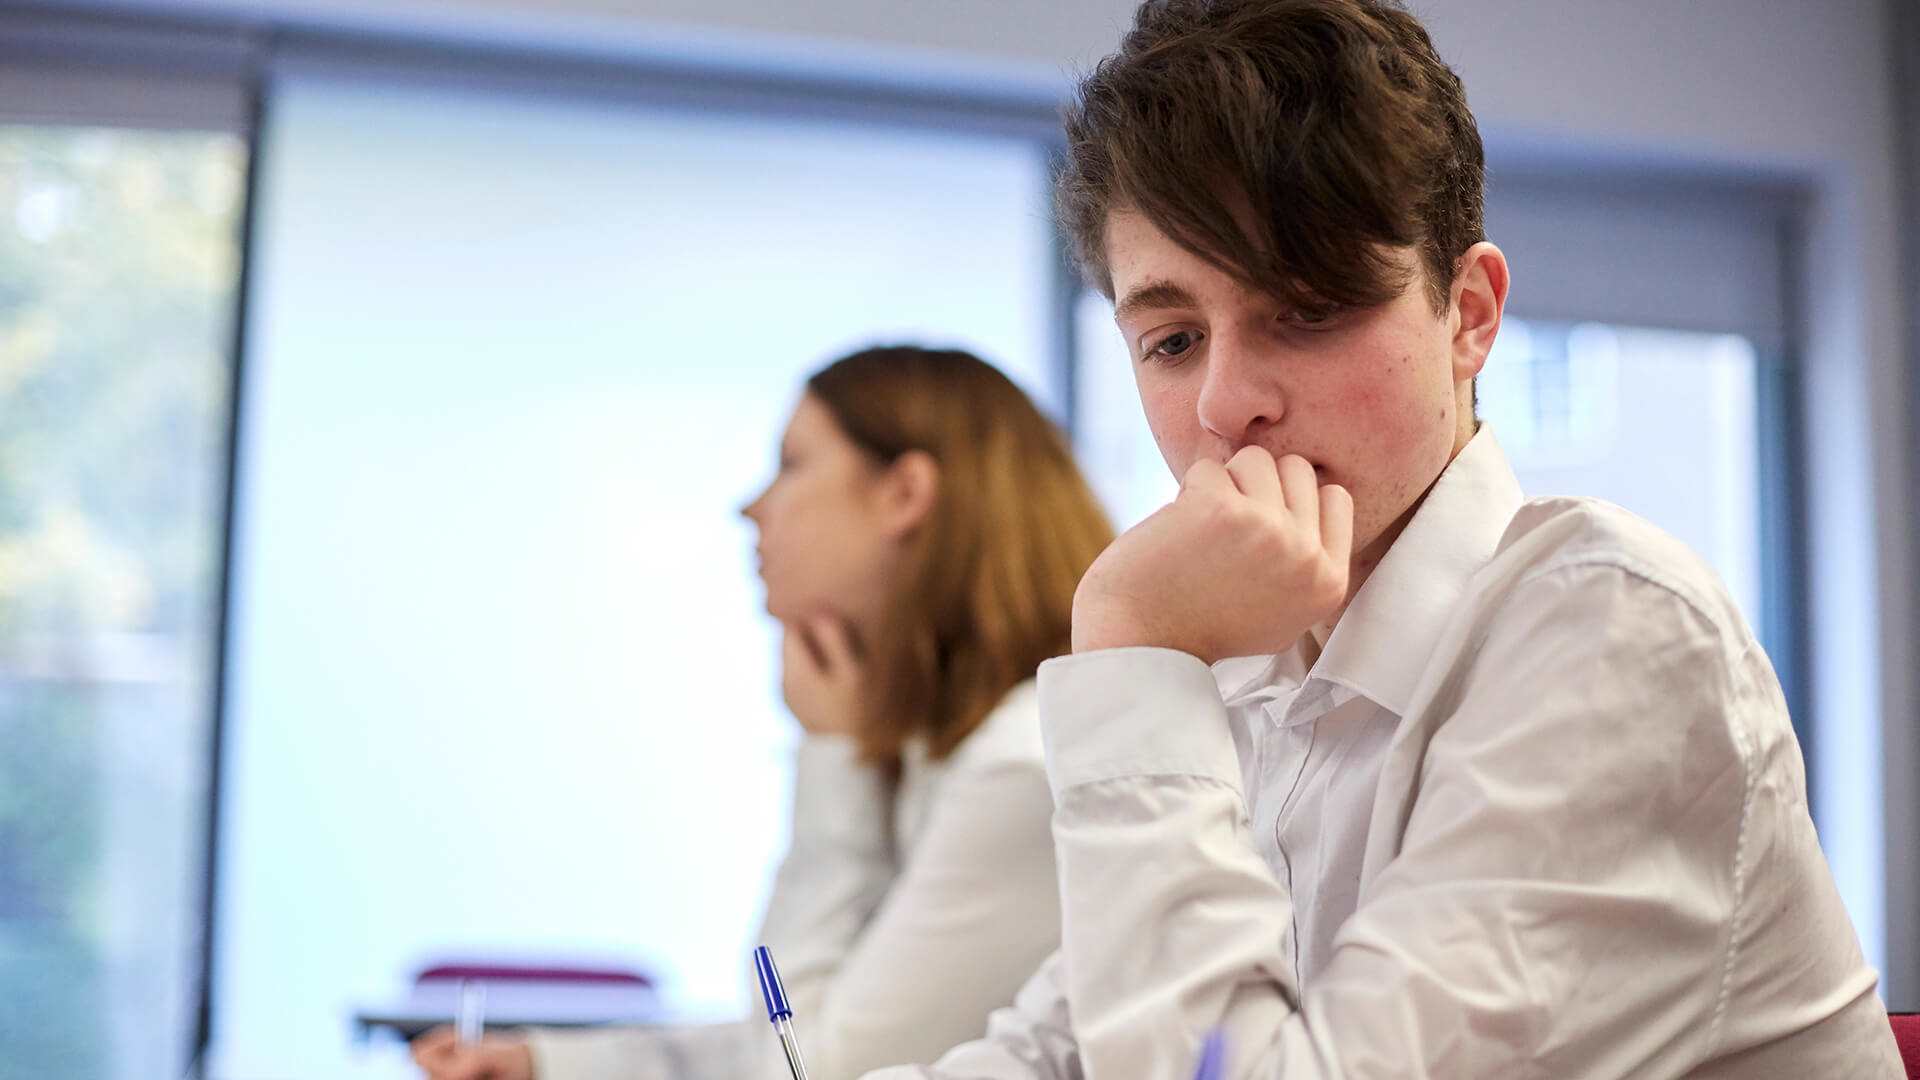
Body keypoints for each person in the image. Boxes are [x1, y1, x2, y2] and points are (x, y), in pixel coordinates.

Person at [863, 2, 1904, 1077]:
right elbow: (1055, 1055)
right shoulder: (1251, 672)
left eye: (1307, 310)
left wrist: (1130, 646)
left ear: (1470, 316)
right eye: (1172, 340)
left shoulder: (1618, 633)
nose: (1225, 404)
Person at [413, 345, 1114, 1080]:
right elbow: (797, 1037)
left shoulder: (1019, 770)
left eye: (791, 464)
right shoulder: (951, 749)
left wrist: (832, 762)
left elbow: (806, 1069)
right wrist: (543, 1065)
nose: (750, 507)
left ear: (903, 495)